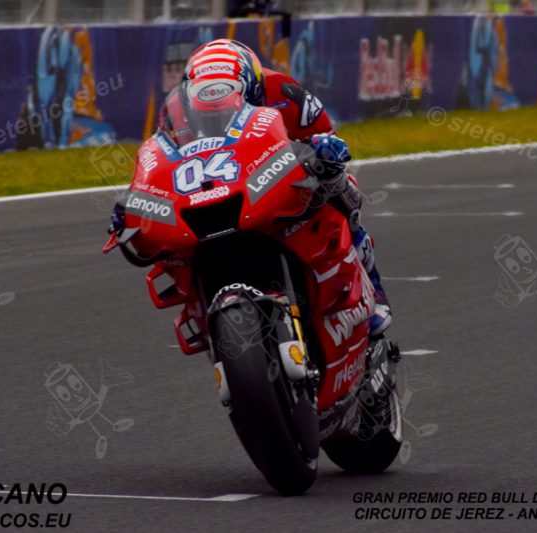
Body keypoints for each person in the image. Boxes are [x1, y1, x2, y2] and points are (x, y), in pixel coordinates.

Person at [110, 39, 392, 337]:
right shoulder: (173, 114)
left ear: (252, 88)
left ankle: (374, 290)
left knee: (343, 187)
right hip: (219, 185)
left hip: (284, 174)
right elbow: (163, 159)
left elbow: (329, 139)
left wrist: (324, 151)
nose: (214, 115)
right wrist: (136, 201)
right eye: (206, 111)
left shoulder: (287, 95)